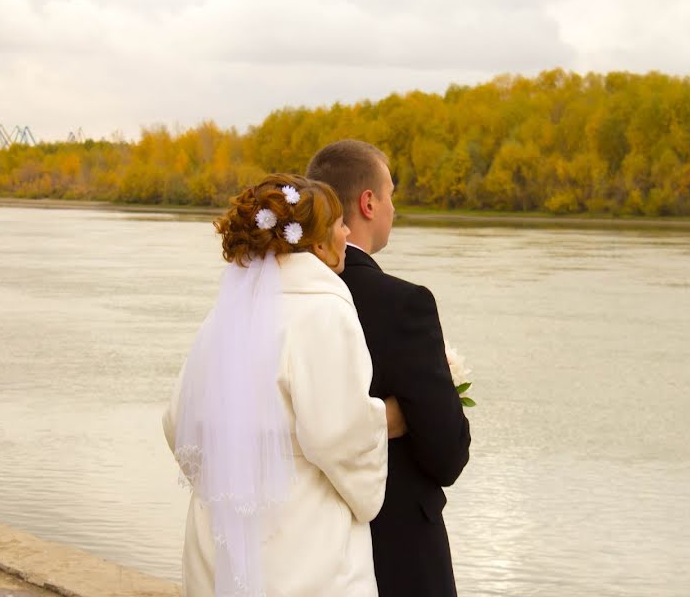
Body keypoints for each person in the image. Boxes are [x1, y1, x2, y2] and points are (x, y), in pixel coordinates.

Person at [162, 173, 393, 596]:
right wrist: (384, 422)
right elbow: (340, 434)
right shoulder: (325, 311)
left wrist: (232, 482)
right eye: (339, 224)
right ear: (318, 244)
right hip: (304, 544)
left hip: (222, 540)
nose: (347, 233)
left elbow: (179, 423)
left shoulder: (224, 316)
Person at [306, 141, 472, 596]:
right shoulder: (404, 305)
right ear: (367, 203)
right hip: (397, 549)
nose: (394, 207)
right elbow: (447, 455)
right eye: (391, 194)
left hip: (309, 543)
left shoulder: (282, 298)